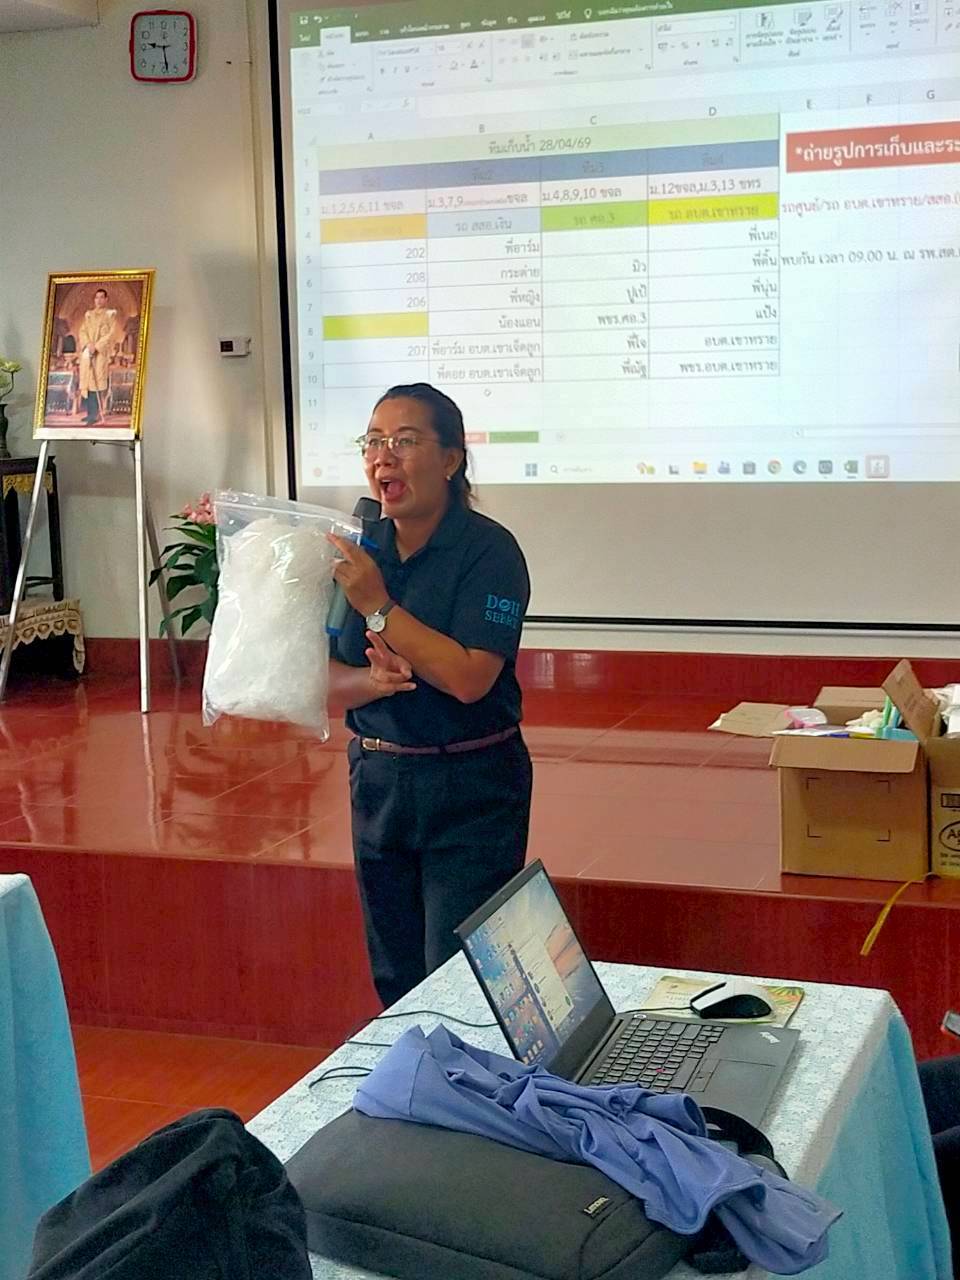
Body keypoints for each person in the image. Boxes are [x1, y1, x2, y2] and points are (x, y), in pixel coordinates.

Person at [327, 383, 532, 1008]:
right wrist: (372, 681)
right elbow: (322, 676)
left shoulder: (489, 552)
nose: (383, 456)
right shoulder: (359, 549)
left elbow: (471, 678)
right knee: (395, 980)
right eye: (373, 442)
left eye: (405, 441)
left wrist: (379, 607)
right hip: (379, 780)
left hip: (470, 786)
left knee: (459, 982)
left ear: (450, 460)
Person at [77, 288, 118, 424]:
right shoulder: (89, 315)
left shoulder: (110, 315)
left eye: (101, 297)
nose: (99, 300)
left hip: (100, 354)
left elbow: (111, 334)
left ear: (106, 299)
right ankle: (90, 413)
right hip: (89, 351)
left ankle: (94, 415)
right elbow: (82, 331)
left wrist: (97, 346)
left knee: (96, 383)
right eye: (97, 297)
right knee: (88, 383)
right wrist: (88, 344)